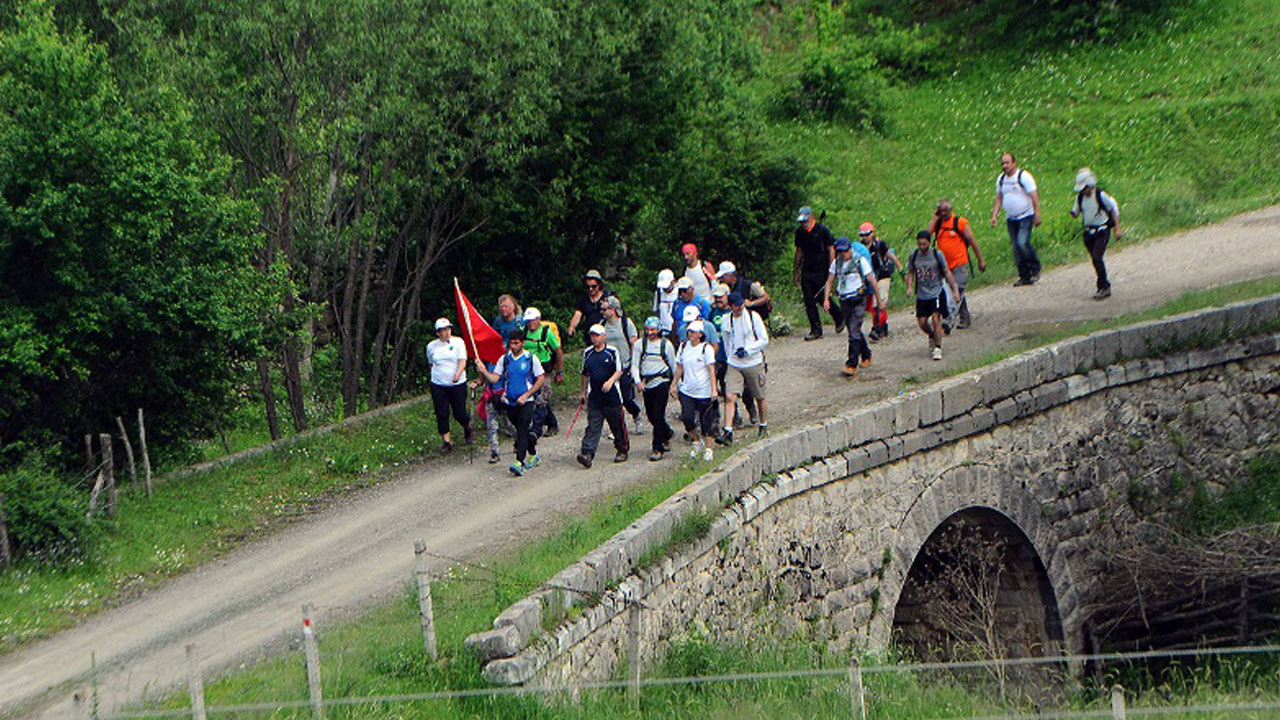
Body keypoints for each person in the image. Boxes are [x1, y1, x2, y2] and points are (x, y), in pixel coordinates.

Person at [475, 330, 546, 476]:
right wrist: (483, 371)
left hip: (526, 401)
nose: (513, 346)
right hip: (510, 402)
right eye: (511, 343)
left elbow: (540, 379)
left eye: (516, 343)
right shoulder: (504, 359)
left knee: (522, 428)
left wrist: (527, 395)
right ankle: (533, 454)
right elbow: (495, 378)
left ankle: (519, 462)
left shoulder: (531, 358)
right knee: (522, 430)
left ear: (523, 343)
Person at [823, 237, 882, 377]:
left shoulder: (860, 261)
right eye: (840, 251)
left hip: (858, 298)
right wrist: (826, 299)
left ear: (850, 249)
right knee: (852, 329)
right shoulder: (836, 264)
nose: (843, 254)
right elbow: (830, 280)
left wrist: (878, 300)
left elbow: (872, 280)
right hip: (844, 299)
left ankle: (852, 363)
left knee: (854, 330)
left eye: (845, 250)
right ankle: (866, 354)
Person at [718, 292, 770, 444]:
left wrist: (748, 350)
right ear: (730, 306)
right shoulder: (726, 320)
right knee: (730, 396)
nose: (740, 307)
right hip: (735, 363)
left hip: (753, 362)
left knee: (759, 396)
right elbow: (726, 340)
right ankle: (727, 430)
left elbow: (763, 339)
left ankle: (763, 424)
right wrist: (731, 357)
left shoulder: (753, 317)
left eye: (741, 304)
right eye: (736, 305)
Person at [929, 199, 987, 331]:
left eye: (946, 210)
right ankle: (965, 317)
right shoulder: (937, 224)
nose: (943, 213)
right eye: (941, 211)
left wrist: (980, 260)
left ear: (951, 210)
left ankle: (950, 320)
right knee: (952, 292)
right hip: (944, 266)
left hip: (960, 263)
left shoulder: (960, 223)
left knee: (958, 289)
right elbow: (925, 236)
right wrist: (934, 219)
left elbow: (972, 241)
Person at [576, 324, 629, 468]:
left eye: (597, 335)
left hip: (611, 395)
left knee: (617, 424)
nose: (594, 338)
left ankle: (622, 449)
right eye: (592, 335)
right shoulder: (588, 353)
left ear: (604, 336)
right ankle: (587, 453)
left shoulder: (612, 351)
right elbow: (585, 373)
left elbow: (619, 370)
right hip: (595, 396)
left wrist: (610, 382)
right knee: (593, 426)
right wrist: (583, 392)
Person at [907, 231, 961, 362]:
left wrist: (955, 290)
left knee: (936, 318)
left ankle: (937, 347)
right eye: (920, 244)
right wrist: (909, 286)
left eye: (924, 244)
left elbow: (947, 272)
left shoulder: (937, 255)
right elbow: (911, 272)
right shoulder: (914, 256)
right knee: (922, 322)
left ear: (929, 243)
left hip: (936, 292)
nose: (922, 247)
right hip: (922, 294)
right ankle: (932, 335)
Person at [990, 152, 1042, 286]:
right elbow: (999, 197)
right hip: (1011, 219)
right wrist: (995, 215)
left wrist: (1037, 214)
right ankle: (1024, 276)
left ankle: (1035, 267)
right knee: (1016, 248)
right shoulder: (1001, 179)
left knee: (1022, 243)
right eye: (1002, 163)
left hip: (1026, 215)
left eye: (1007, 163)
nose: (1004, 166)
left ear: (1014, 163)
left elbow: (1034, 196)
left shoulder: (1023, 177)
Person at [1069, 167, 1121, 300]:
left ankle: (1104, 287)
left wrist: (1117, 229)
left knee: (1097, 257)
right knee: (1095, 259)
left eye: (1084, 188)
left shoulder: (1100, 195)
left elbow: (1112, 211)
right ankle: (1103, 285)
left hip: (1102, 231)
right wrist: (1074, 214)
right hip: (1088, 233)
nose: (1082, 191)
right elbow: (1076, 211)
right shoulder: (1080, 197)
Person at [670, 320, 718, 462]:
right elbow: (680, 367)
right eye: (689, 331)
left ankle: (709, 448)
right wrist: (674, 384)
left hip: (703, 390)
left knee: (706, 421)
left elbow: (711, 370)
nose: (690, 334)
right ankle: (696, 440)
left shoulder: (706, 349)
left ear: (700, 334)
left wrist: (713, 389)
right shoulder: (684, 347)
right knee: (687, 417)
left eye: (693, 332)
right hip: (687, 389)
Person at [425, 318, 473, 453]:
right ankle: (446, 441)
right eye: (442, 331)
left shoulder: (458, 342)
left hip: (457, 384)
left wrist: (458, 373)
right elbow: (430, 363)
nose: (446, 333)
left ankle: (467, 426)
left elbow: (462, 360)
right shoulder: (431, 346)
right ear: (438, 333)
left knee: (459, 412)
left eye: (448, 329)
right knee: (441, 412)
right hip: (439, 384)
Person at [632, 317, 677, 461]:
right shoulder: (640, 345)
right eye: (648, 330)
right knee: (651, 415)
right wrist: (638, 381)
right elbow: (635, 365)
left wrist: (675, 384)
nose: (650, 333)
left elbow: (673, 365)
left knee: (658, 415)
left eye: (653, 330)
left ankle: (657, 448)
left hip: (662, 382)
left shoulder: (666, 345)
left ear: (659, 330)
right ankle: (667, 433)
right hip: (647, 383)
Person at [794, 206, 842, 340]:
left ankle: (839, 316)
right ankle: (815, 329)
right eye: (801, 221)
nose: (803, 224)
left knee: (822, 297)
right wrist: (796, 271)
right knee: (809, 300)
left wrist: (832, 268)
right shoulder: (800, 233)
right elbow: (799, 251)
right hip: (807, 270)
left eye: (805, 221)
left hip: (822, 269)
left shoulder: (822, 231)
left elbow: (831, 249)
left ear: (811, 217)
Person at [600, 296, 644, 434]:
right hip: (610, 367)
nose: (602, 311)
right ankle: (618, 428)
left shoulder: (626, 323)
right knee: (613, 399)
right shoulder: (602, 325)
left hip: (625, 365)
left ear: (613, 309)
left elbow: (634, 344)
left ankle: (636, 414)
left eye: (604, 309)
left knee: (626, 398)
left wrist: (634, 365)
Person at [521, 307, 564, 437]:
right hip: (528, 371)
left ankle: (536, 429)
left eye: (532, 320)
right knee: (537, 399)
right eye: (528, 321)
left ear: (538, 320)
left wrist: (559, 372)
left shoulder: (547, 333)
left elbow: (558, 351)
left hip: (544, 371)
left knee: (542, 399)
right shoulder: (523, 332)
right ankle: (552, 423)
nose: (530, 323)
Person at [860, 223, 903, 341]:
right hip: (869, 278)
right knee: (871, 304)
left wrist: (900, 268)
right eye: (862, 235)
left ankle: (877, 328)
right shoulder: (860, 248)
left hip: (882, 276)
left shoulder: (879, 245)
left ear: (872, 233)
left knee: (878, 302)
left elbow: (891, 256)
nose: (865, 237)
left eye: (867, 234)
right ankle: (883, 325)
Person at [566, 269, 614, 338]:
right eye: (588, 287)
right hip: (591, 335)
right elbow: (578, 314)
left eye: (594, 286)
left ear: (599, 285)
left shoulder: (608, 296)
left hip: (607, 333)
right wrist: (572, 327)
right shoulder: (584, 299)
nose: (590, 289)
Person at [651, 268, 679, 336]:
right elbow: (655, 312)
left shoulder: (679, 293)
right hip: (662, 330)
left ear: (673, 282)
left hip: (676, 330)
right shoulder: (658, 294)